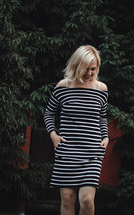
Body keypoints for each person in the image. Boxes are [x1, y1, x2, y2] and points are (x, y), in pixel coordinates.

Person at [44, 45, 109, 215]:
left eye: (93, 69)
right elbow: (49, 113)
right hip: (67, 150)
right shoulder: (63, 86)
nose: (89, 73)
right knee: (67, 199)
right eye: (85, 68)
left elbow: (102, 117)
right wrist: (53, 135)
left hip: (92, 151)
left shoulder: (101, 89)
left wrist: (106, 137)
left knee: (86, 200)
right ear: (76, 65)